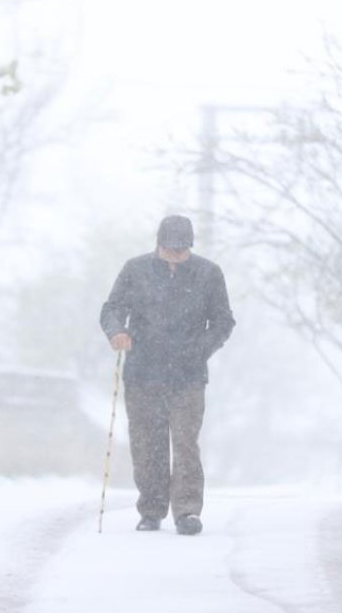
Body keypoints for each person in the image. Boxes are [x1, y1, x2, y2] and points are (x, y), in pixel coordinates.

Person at [99, 215, 235, 535]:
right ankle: (151, 509)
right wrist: (117, 331)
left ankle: (187, 511)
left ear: (190, 246)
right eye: (169, 249)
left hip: (188, 377)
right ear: (158, 244)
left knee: (186, 444)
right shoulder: (135, 270)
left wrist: (199, 350)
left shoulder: (208, 274)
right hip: (142, 374)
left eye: (181, 250)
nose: (175, 255)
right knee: (148, 446)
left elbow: (223, 322)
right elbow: (112, 309)